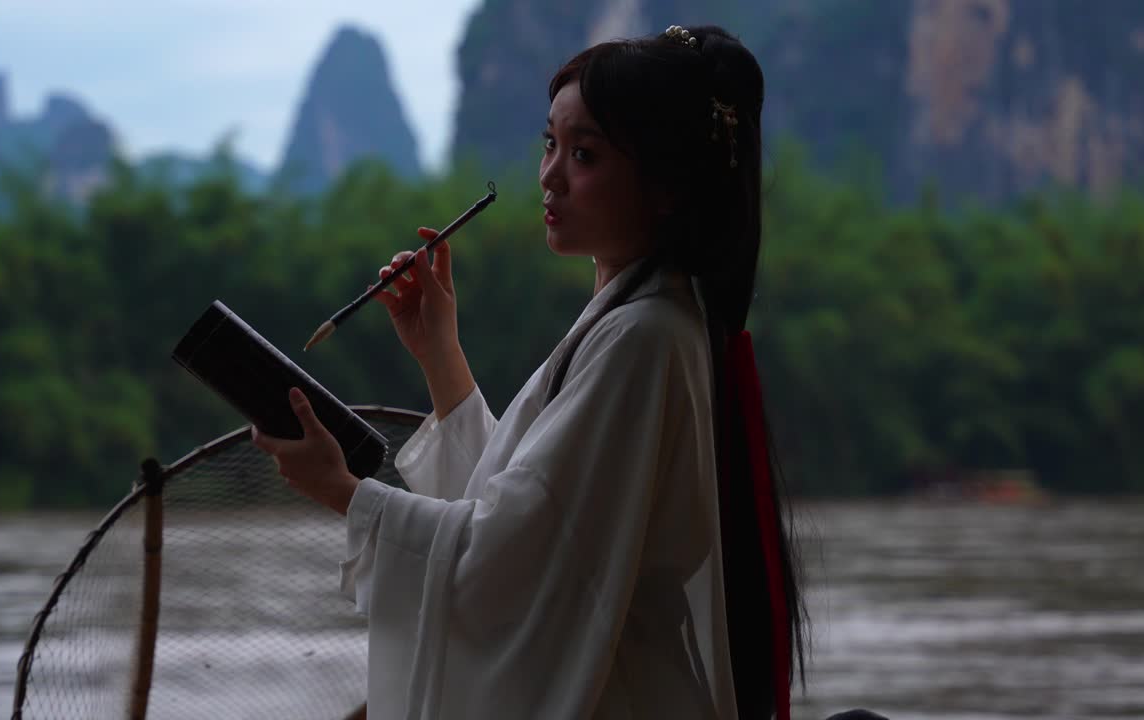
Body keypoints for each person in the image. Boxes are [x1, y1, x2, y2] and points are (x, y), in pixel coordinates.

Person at [253, 24, 809, 719]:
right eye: (550, 145)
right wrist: (440, 353)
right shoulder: (631, 319)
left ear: (665, 186)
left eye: (585, 155)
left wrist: (345, 491)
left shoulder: (643, 336)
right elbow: (531, 512)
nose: (549, 176)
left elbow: (510, 560)